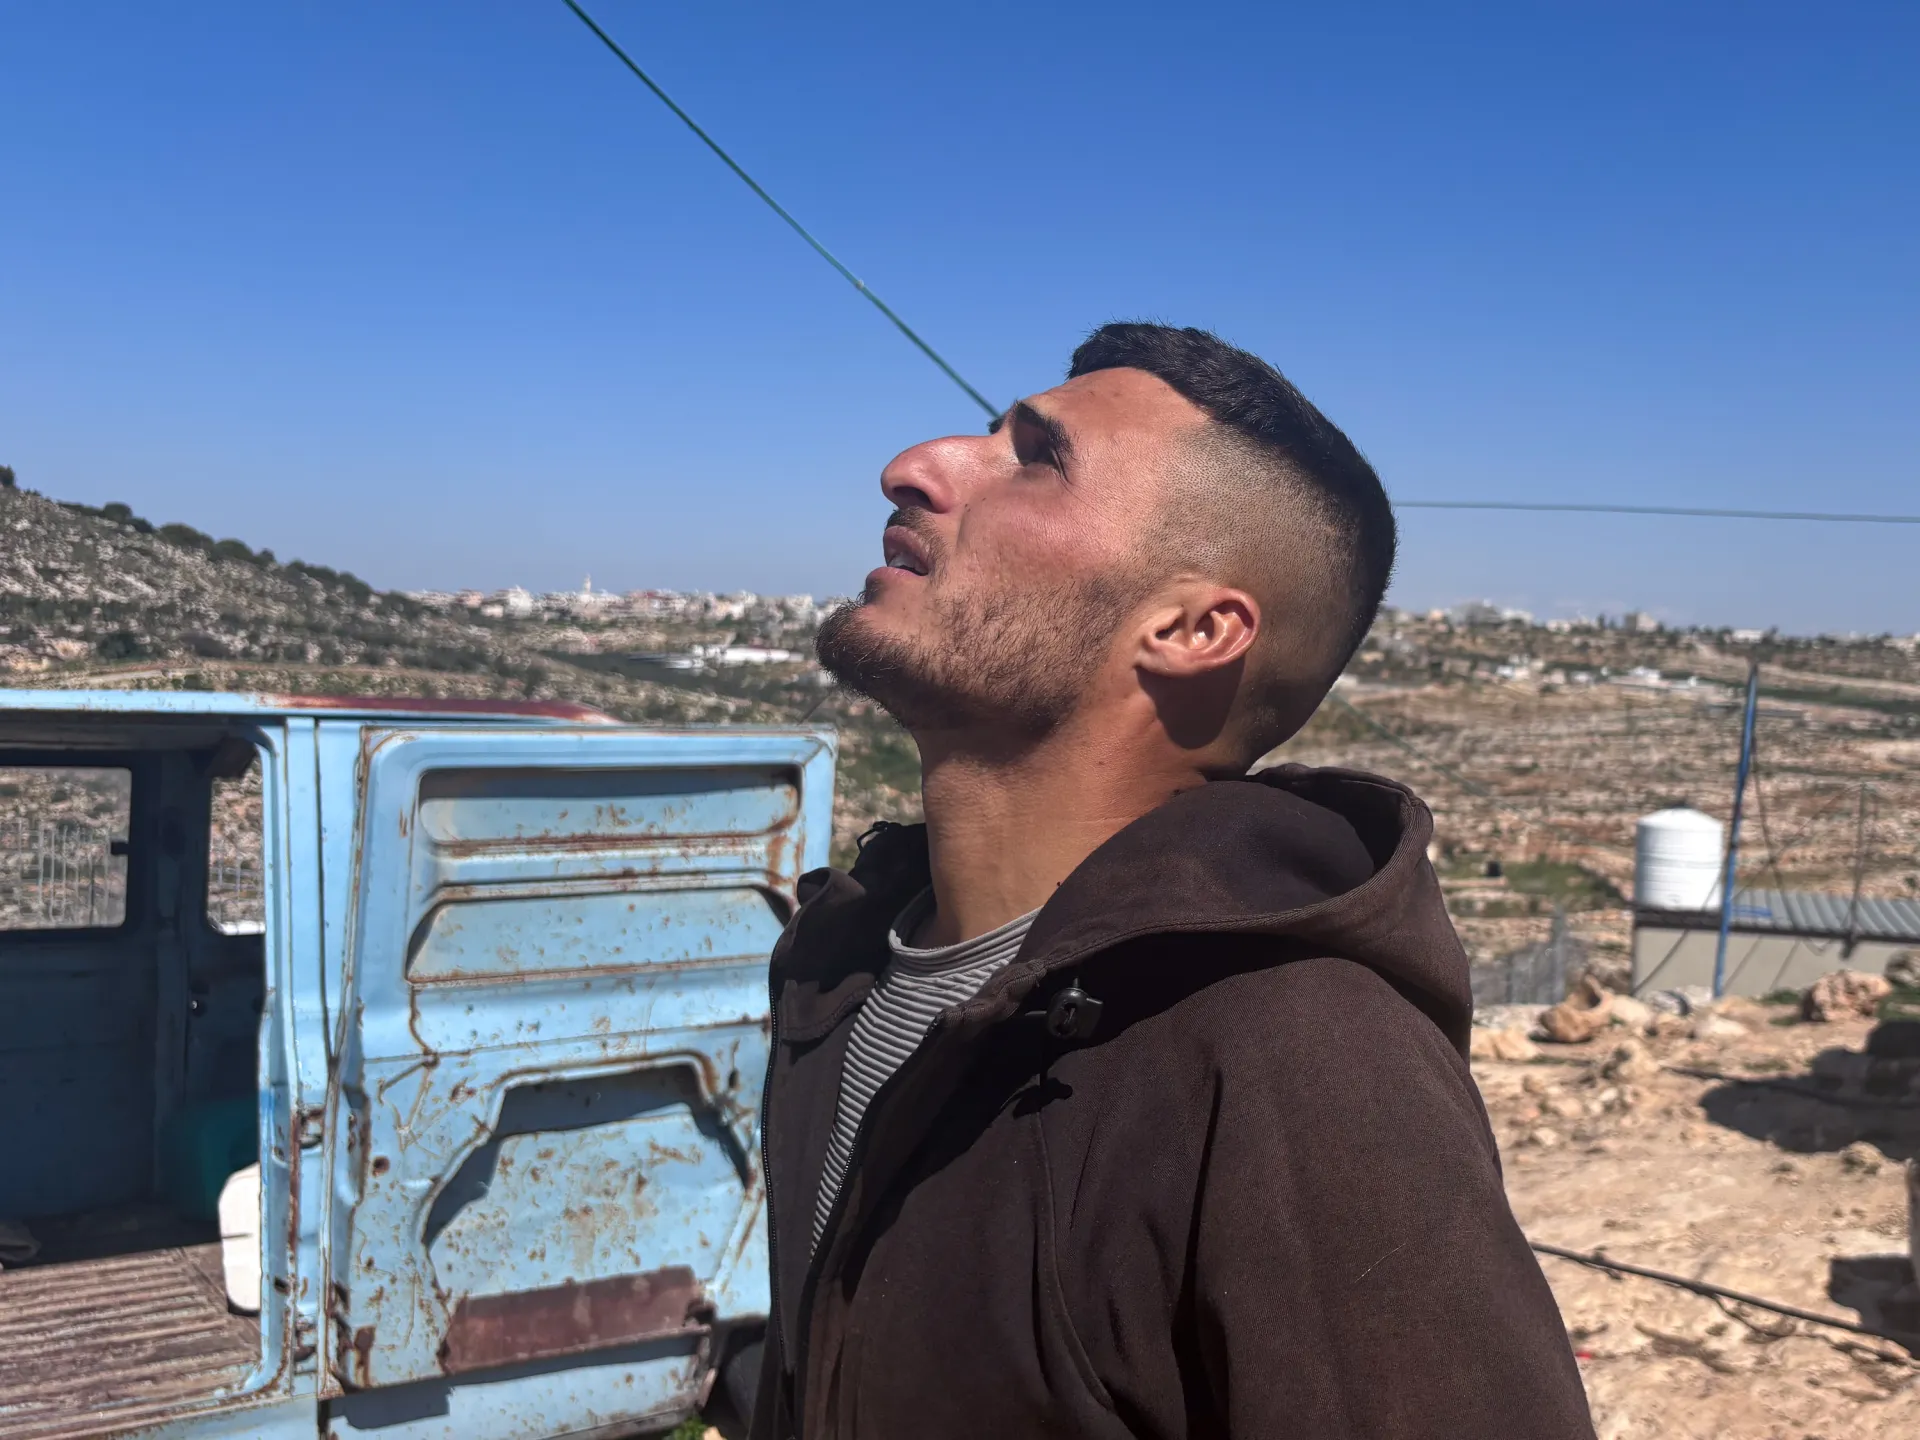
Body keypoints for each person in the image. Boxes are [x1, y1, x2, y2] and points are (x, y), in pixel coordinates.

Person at [749, 323, 1595, 1439]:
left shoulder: (1293, 1057)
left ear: (1193, 629)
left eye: (1036, 459)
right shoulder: (842, 968)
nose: (915, 465)